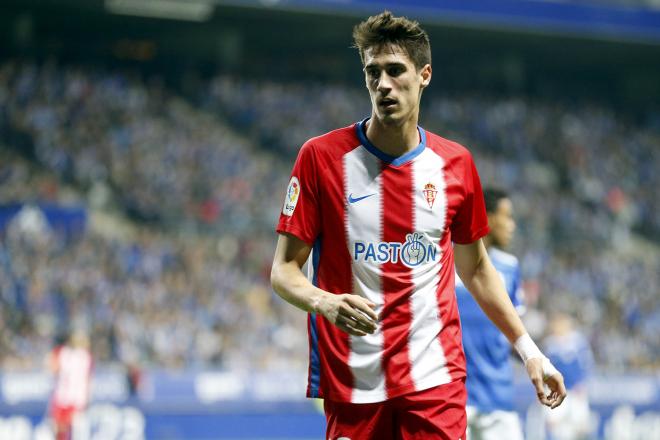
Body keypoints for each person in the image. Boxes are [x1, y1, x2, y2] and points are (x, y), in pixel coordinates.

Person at [270, 11, 566, 440]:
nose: (383, 85)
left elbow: (478, 270)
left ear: (424, 74)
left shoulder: (456, 165)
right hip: (353, 384)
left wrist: (530, 351)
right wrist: (324, 302)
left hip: (434, 380)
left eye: (396, 71)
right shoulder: (320, 158)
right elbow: (282, 271)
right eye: (373, 72)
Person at [456, 188, 526, 440]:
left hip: (498, 396)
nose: (512, 225)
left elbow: (513, 330)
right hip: (454, 395)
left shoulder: (510, 267)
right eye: (507, 217)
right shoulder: (447, 261)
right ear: (488, 217)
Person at [543, 313, 594, 440]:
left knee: (580, 426)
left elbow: (587, 364)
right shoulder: (550, 344)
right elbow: (545, 370)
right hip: (557, 390)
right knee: (555, 427)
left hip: (576, 389)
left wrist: (583, 383)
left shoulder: (578, 342)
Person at [47, 331, 93, 440]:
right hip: (64, 397)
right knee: (60, 427)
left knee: (72, 428)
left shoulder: (83, 356)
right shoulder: (65, 353)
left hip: (73, 398)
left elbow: (87, 379)